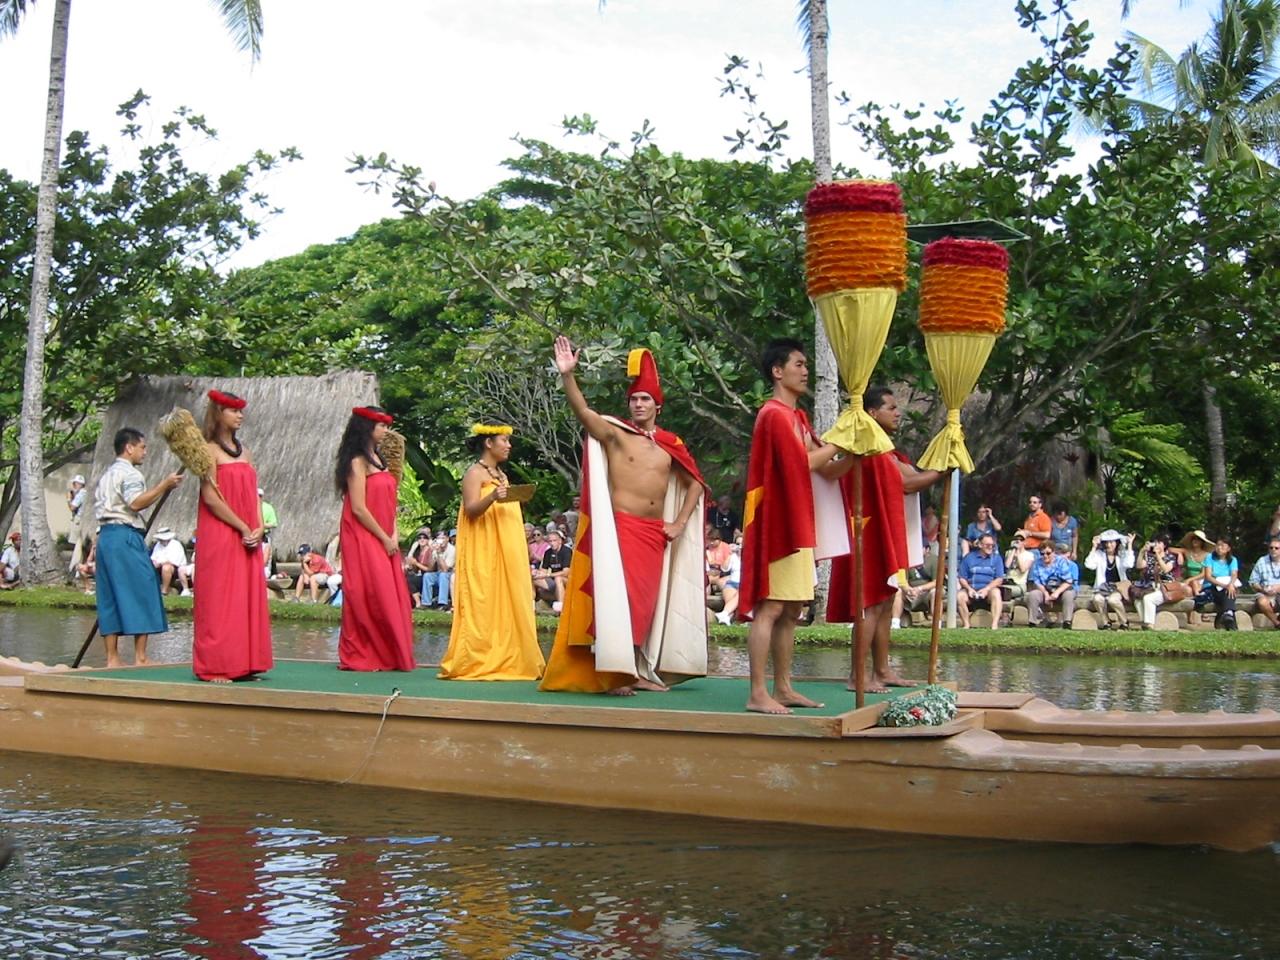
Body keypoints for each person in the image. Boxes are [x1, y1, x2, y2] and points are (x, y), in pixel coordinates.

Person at [541, 338, 709, 695]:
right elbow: (584, 413)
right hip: (622, 528)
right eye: (634, 399)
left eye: (645, 399)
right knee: (623, 600)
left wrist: (679, 523)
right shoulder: (617, 434)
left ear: (657, 406)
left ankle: (633, 669)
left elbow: (696, 484)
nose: (638, 404)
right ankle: (617, 674)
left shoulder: (671, 444)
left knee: (645, 604)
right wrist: (568, 375)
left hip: (654, 532)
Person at [736, 338, 841, 714]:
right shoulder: (774, 414)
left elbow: (827, 469)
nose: (805, 370)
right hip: (777, 523)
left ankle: (782, 687)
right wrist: (841, 439)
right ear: (777, 371)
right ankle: (757, 693)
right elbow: (802, 463)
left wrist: (858, 449)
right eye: (798, 364)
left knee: (793, 608)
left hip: (799, 520)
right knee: (771, 605)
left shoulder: (798, 418)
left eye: (806, 364)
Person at [827, 386, 944, 693]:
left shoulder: (886, 451)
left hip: (883, 534)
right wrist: (946, 467)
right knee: (870, 602)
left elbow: (913, 476)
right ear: (872, 413)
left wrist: (944, 460)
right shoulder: (870, 449)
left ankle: (881, 669)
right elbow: (909, 483)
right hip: (867, 535)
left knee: (886, 598)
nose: (897, 412)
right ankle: (858, 676)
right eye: (891, 408)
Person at [439, 423, 544, 680]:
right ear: (489, 443)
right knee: (484, 599)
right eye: (504, 440)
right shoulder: (474, 473)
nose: (509, 445)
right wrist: (493, 497)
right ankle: (477, 658)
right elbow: (471, 510)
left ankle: (511, 655)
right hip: (484, 548)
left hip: (505, 549)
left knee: (509, 598)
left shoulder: (500, 474)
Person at [193, 390, 273, 683]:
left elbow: (253, 493)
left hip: (248, 533)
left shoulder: (246, 451)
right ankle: (215, 666)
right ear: (218, 413)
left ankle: (245, 663)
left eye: (241, 411)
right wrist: (242, 526)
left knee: (245, 596)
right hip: (221, 531)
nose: (240, 416)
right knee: (220, 597)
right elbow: (211, 498)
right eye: (233, 411)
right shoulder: (207, 451)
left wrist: (259, 526)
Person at [93, 427, 183, 667]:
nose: (145, 452)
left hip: (106, 537)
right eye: (142, 447)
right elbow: (135, 503)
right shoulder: (130, 474)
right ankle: (140, 657)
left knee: (110, 595)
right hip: (124, 536)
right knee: (144, 587)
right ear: (129, 447)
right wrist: (164, 485)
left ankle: (112, 658)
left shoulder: (106, 475)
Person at [335, 406, 416, 671]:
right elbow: (358, 508)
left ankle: (389, 654)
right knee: (369, 592)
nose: (385, 430)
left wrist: (393, 533)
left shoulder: (379, 459)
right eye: (381, 425)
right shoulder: (356, 462)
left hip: (385, 534)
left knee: (390, 594)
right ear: (366, 427)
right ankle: (364, 653)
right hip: (363, 534)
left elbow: (390, 502)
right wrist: (383, 537)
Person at [1084, 529, 1136, 629]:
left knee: (1113, 600)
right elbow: (1089, 565)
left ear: (1116, 543)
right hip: (1103, 587)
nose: (1109, 545)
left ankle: (1124, 622)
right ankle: (1106, 622)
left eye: (1111, 542)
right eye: (1106, 542)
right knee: (1097, 599)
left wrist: (1129, 545)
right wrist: (1094, 547)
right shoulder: (1099, 554)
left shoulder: (1121, 554)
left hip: (1119, 587)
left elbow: (1129, 564)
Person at [1131, 531, 1182, 630]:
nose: (1156, 544)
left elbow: (1165, 569)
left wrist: (1158, 555)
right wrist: (1142, 552)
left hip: (1165, 588)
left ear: (1164, 545)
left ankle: (1150, 624)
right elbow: (1139, 566)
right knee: (1138, 600)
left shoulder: (1170, 557)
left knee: (1148, 599)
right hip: (1150, 586)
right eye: (1155, 542)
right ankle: (1145, 623)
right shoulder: (1150, 557)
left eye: (1159, 542)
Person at [957, 533, 1005, 629]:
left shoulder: (996, 558)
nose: (990, 547)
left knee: (996, 593)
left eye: (992, 545)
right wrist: (969, 589)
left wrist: (987, 589)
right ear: (980, 545)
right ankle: (966, 624)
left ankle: (994, 625)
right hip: (971, 590)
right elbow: (962, 578)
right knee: (960, 596)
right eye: (987, 545)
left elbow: (999, 579)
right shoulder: (969, 558)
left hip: (989, 590)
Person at [1025, 541, 1076, 628]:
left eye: (1048, 553)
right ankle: (1032, 622)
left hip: (1062, 589)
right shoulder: (1037, 563)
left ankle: (1067, 622)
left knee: (1069, 594)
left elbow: (1068, 581)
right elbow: (1037, 582)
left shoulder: (1061, 562)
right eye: (1042, 554)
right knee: (1033, 595)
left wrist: (1056, 593)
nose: (1045, 556)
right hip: (1045, 589)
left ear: (1053, 552)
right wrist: (1046, 594)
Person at [1196, 536, 1240, 630]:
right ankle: (1229, 614)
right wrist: (1224, 585)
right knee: (1228, 592)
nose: (1219, 548)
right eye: (1218, 545)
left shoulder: (1233, 560)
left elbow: (1234, 574)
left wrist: (1231, 584)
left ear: (1228, 548)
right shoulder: (1209, 558)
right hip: (1211, 586)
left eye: (1223, 546)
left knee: (1229, 591)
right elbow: (1208, 576)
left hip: (1227, 587)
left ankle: (1228, 615)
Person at [533, 528, 573, 611]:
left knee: (558, 578)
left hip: (568, 580)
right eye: (550, 541)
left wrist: (548, 575)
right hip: (553, 580)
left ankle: (561, 607)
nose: (552, 543)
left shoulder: (567, 551)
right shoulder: (548, 552)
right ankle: (531, 604)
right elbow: (543, 570)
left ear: (560, 541)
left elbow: (566, 572)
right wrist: (537, 573)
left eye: (554, 541)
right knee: (534, 578)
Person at [1248, 536, 1280, 630]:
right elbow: (1253, 581)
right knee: (1262, 602)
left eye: (1276, 548)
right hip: (1264, 592)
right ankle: (1277, 623)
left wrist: (1278, 588)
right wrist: (1263, 589)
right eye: (1271, 548)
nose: (1273, 550)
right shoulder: (1262, 561)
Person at [149, 526, 191, 596]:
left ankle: (164, 591)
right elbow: (153, 558)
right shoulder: (158, 545)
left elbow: (173, 561)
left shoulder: (176, 545)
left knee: (166, 567)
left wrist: (160, 563)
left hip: (176, 569)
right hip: (159, 566)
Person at [404, 529, 435, 608]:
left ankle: (418, 602)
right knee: (406, 576)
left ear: (428, 540)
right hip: (421, 575)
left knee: (410, 580)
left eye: (424, 538)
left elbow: (430, 569)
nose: (422, 539)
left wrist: (416, 563)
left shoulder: (430, 551)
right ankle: (412, 601)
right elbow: (416, 569)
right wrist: (410, 566)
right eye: (420, 538)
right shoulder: (417, 551)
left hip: (430, 576)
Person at [1176, 530, 1212, 595]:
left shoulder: (1207, 555)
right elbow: (1170, 549)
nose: (1195, 541)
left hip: (1200, 580)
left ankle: (1198, 595)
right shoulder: (1187, 551)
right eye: (1194, 539)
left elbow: (1203, 574)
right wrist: (1179, 553)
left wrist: (1190, 579)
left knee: (1194, 583)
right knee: (1187, 590)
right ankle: (1197, 595)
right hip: (1187, 579)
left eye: (1198, 539)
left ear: (1202, 542)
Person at [66, 473, 87, 574]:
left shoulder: (81, 494)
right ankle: (78, 568)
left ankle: (75, 568)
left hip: (79, 520)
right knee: (80, 545)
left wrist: (68, 499)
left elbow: (72, 507)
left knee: (78, 544)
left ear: (79, 484)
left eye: (75, 484)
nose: (73, 486)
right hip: (83, 519)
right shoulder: (85, 493)